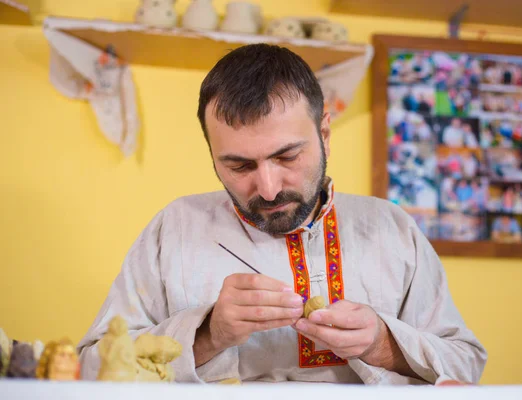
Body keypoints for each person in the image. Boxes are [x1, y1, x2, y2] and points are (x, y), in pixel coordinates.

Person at [76, 44, 486, 385]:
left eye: (287, 156)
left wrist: (381, 343)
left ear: (324, 133)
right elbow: (92, 365)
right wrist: (207, 335)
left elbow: (466, 365)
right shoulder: (176, 228)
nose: (268, 188)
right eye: (239, 166)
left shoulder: (392, 228)